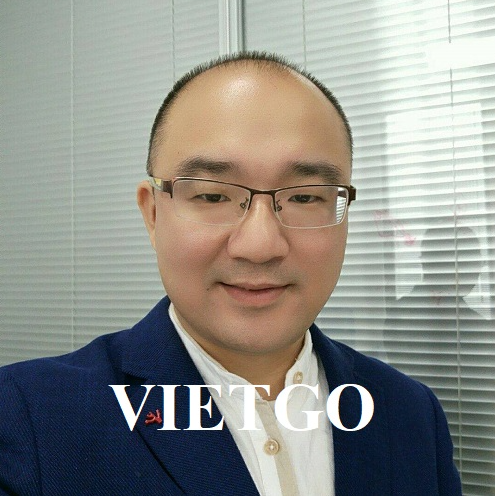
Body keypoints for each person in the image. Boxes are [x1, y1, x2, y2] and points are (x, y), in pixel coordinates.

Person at [0, 52, 461, 495]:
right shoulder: (29, 420)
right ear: (153, 214)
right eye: (212, 196)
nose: (260, 246)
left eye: (304, 197)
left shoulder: (410, 413)